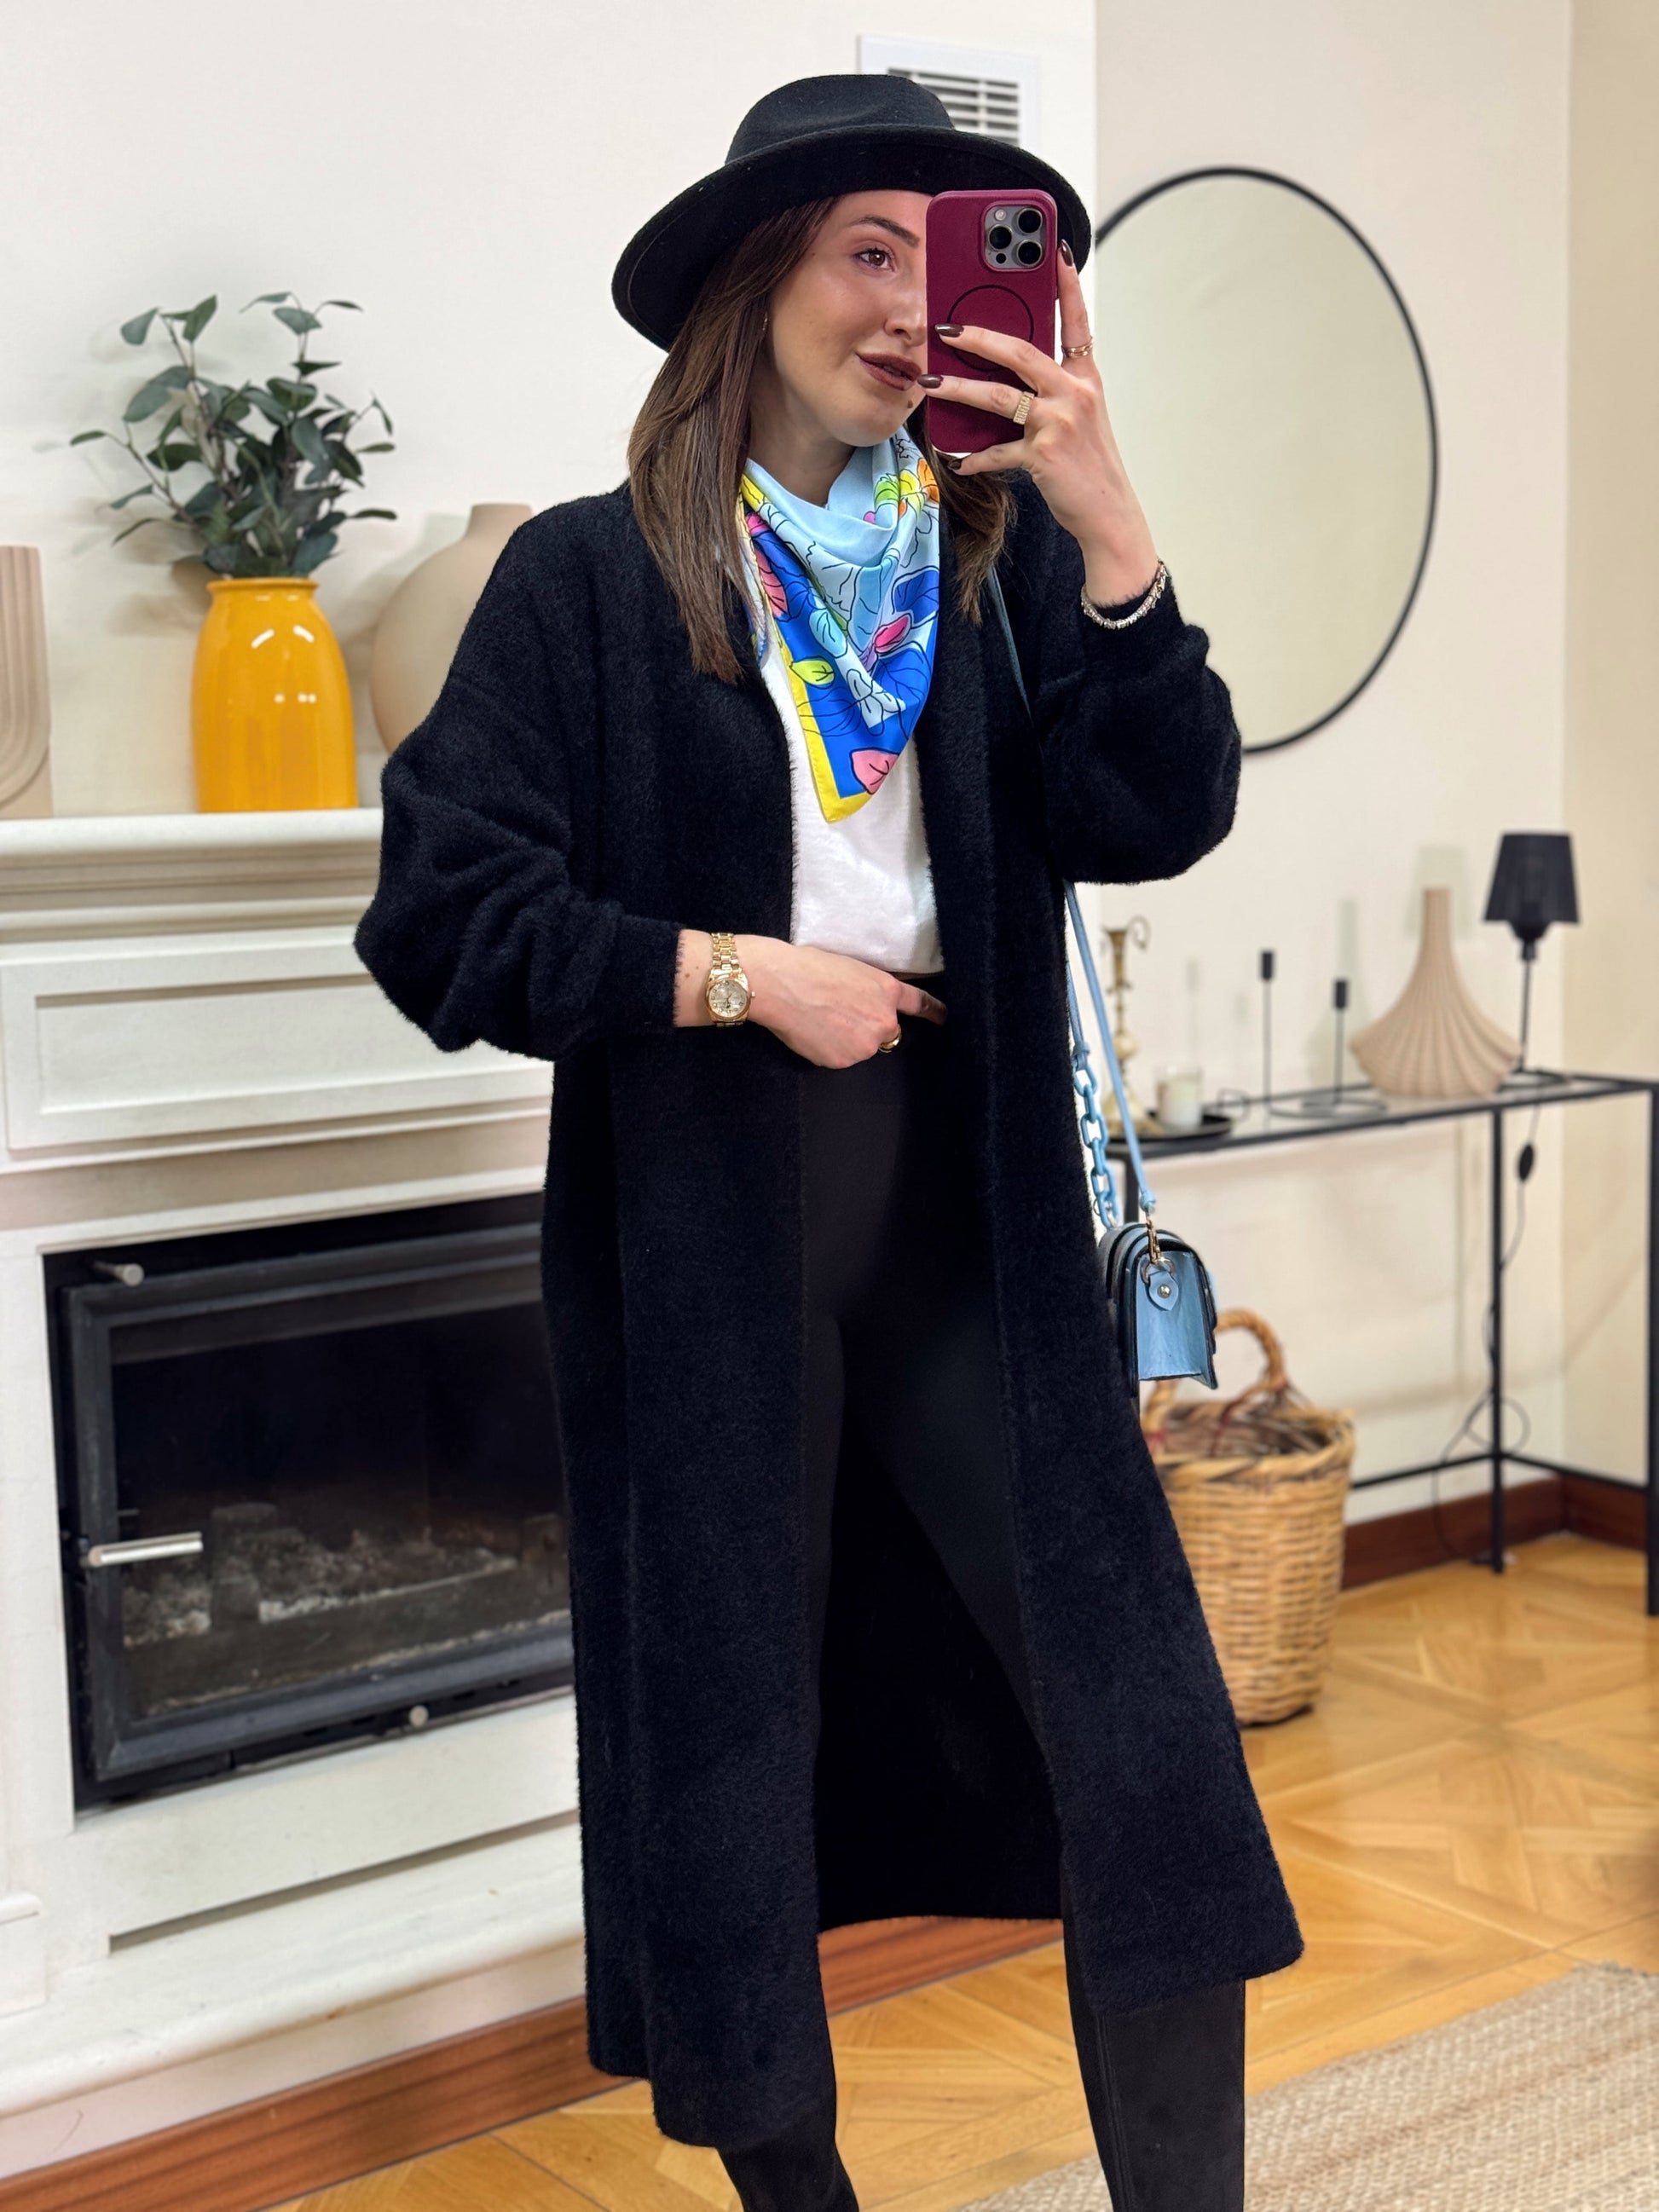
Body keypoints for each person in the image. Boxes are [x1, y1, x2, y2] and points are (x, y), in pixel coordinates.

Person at [354, 72, 1303, 2212]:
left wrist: (1116, 532)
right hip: (707, 1232)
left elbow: (1155, 810)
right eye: (867, 249)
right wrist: (728, 972)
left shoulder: (991, 566)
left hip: (968, 1213)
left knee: (1143, 1743)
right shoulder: (591, 581)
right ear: (754, 277)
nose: (905, 304)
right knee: (729, 1763)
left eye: (943, 263)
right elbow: (441, 911)